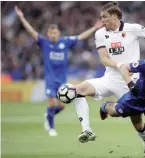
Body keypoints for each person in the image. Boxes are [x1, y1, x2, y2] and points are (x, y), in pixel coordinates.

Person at [62, 2, 145, 155]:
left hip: (131, 81)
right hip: (110, 78)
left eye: (104, 17)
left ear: (114, 16)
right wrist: (120, 65)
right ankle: (87, 130)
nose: (102, 20)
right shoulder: (100, 34)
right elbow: (104, 59)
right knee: (77, 90)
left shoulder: (133, 29)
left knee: (137, 123)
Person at [15, 6, 102, 136]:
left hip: (62, 80)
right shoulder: (44, 43)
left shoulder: (65, 42)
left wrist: (94, 28)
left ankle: (47, 116)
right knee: (51, 103)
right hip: (50, 79)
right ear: (48, 34)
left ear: (58, 34)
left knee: (61, 106)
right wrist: (22, 17)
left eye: (55, 33)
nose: (53, 35)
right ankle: (51, 127)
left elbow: (80, 37)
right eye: (51, 33)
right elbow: (32, 31)